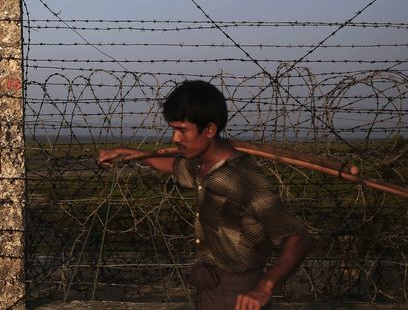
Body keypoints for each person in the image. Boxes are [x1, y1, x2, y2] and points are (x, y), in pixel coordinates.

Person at [99, 80, 312, 310]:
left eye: (182, 130)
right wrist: (127, 153)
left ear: (209, 129)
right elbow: (172, 166)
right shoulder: (203, 168)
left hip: (239, 294)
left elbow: (298, 237)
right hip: (209, 288)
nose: (175, 139)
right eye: (173, 129)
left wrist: (265, 287)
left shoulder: (241, 178)